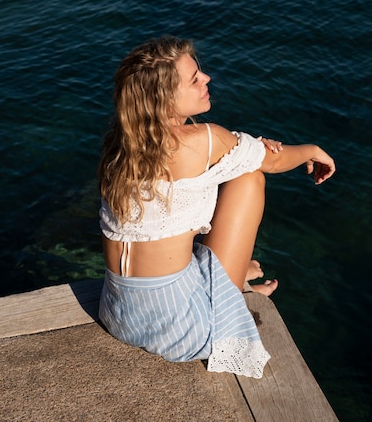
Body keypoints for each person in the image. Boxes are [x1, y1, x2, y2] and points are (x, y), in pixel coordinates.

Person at [98, 36, 335, 379]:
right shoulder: (204, 140)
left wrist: (242, 151)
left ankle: (232, 278)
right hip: (179, 331)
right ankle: (233, 290)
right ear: (164, 97)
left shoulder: (119, 145)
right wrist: (312, 149)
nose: (206, 78)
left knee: (233, 174)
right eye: (194, 79)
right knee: (251, 178)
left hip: (118, 312)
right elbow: (272, 161)